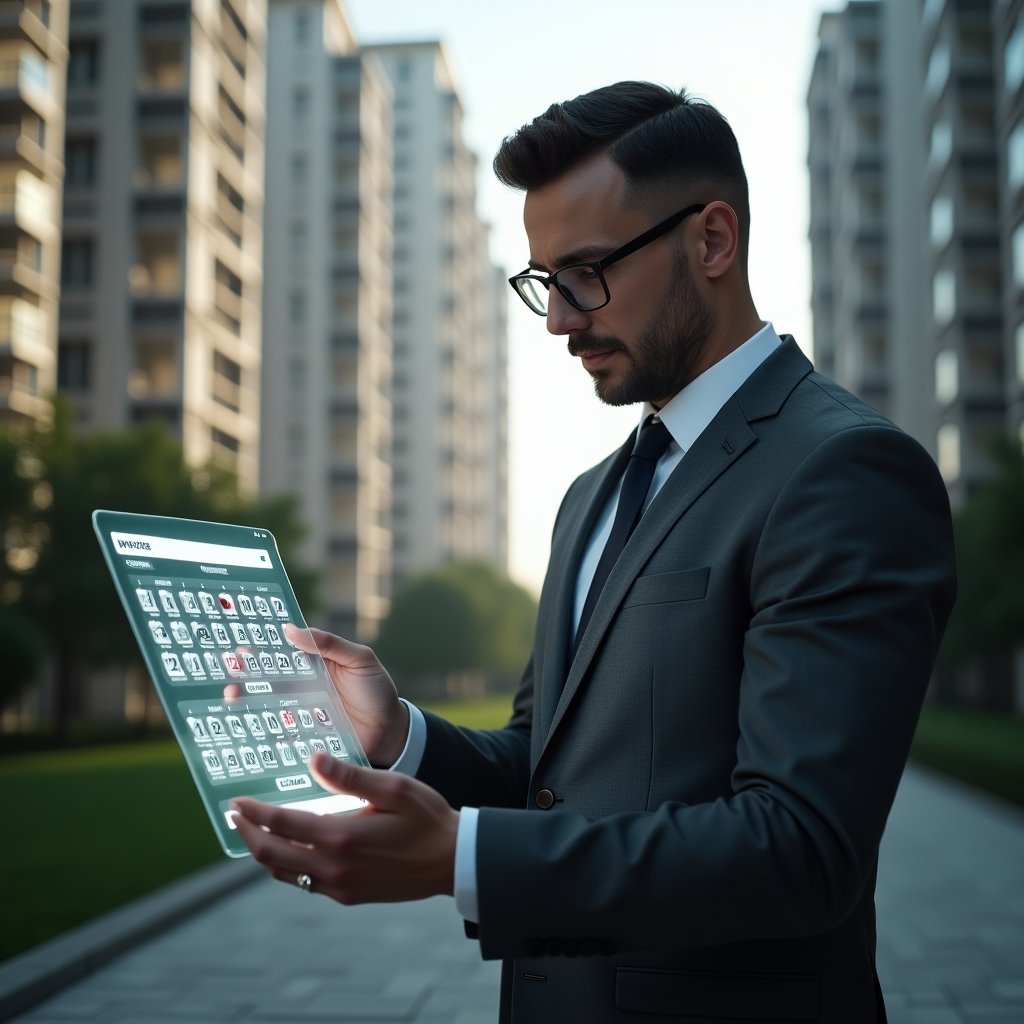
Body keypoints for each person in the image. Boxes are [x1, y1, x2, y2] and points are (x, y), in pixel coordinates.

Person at [230, 82, 956, 1023]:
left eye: (585, 273)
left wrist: (463, 859)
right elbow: (548, 764)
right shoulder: (591, 496)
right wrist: (398, 734)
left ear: (712, 241)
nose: (558, 321)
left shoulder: (846, 470)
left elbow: (802, 849)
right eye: (542, 281)